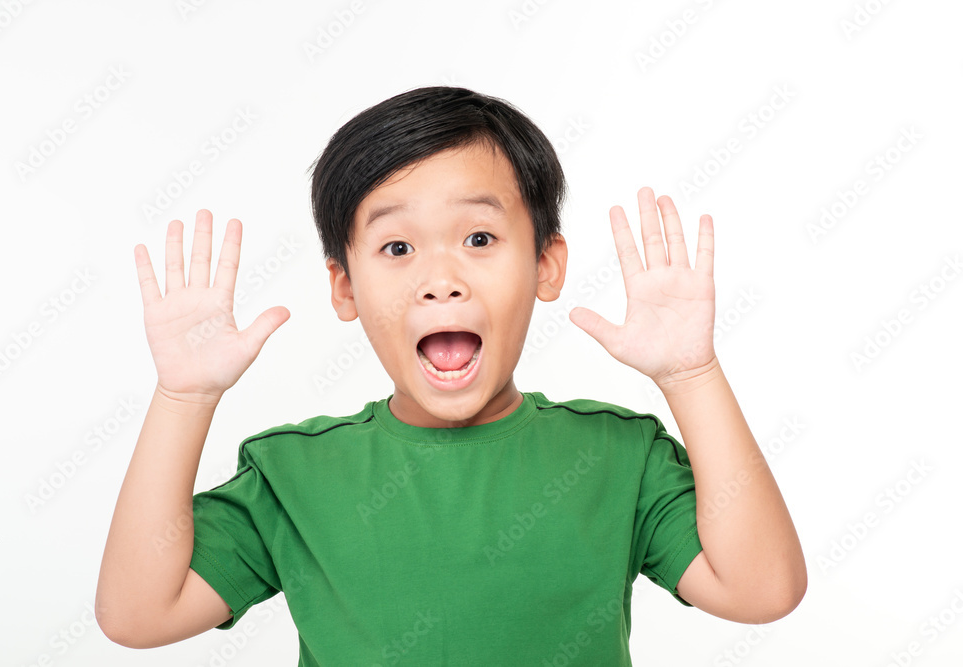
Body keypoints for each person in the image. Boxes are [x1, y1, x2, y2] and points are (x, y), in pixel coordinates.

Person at [96, 86, 806, 664]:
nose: (440, 279)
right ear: (344, 287)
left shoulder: (619, 457)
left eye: (479, 238)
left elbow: (763, 590)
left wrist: (692, 374)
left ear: (546, 264)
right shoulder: (294, 474)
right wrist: (183, 397)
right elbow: (136, 614)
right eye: (397, 245)